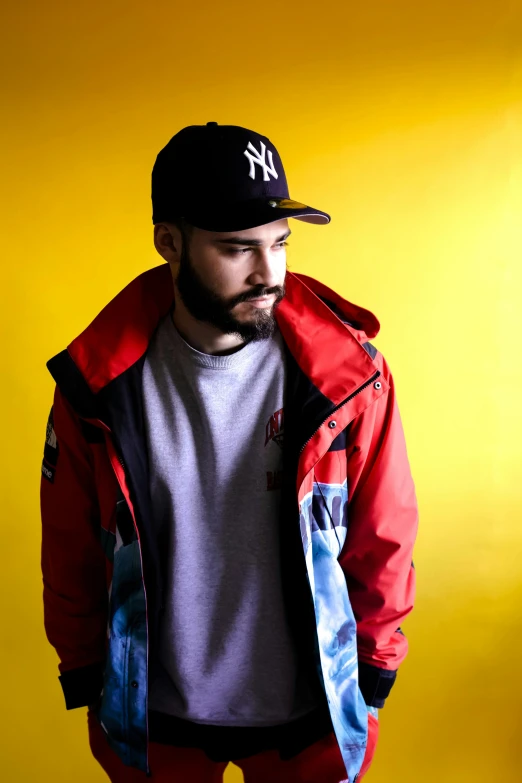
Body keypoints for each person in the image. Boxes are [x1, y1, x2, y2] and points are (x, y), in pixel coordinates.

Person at [40, 122, 418, 783]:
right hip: (155, 717)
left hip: (312, 716)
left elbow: (384, 537)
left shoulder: (350, 378)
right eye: (238, 248)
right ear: (170, 243)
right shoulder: (96, 388)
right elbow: (69, 546)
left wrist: (374, 676)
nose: (269, 272)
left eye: (279, 244)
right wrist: (87, 675)